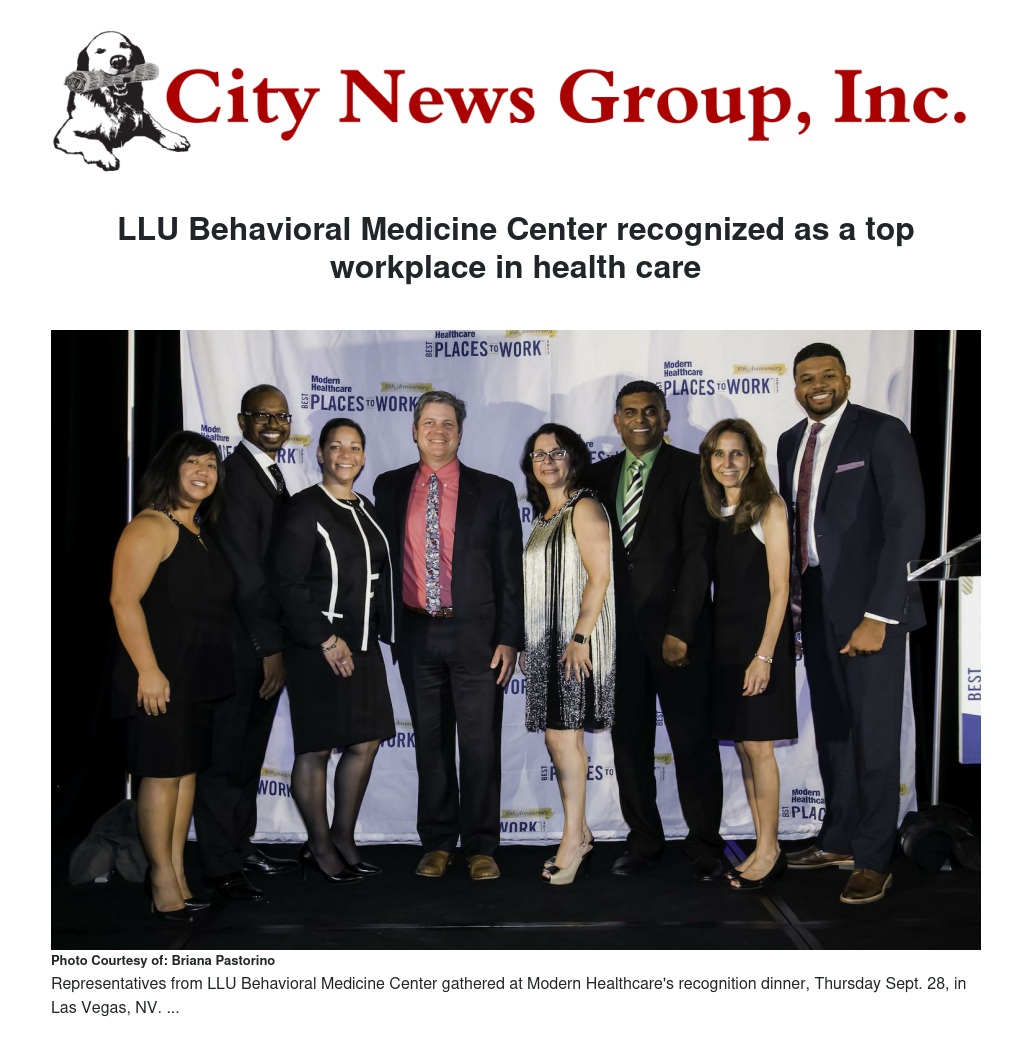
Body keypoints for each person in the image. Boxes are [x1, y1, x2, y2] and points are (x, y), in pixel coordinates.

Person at [777, 343, 925, 905]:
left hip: (870, 609)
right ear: (795, 386)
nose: (817, 385)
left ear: (845, 379)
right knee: (835, 730)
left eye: (827, 375)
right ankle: (838, 838)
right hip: (815, 603)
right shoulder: (790, 441)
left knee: (875, 735)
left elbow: (905, 522)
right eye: (806, 377)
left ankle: (873, 857)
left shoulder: (882, 432)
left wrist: (879, 614)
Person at [373, 391, 524, 881]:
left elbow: (510, 574)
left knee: (480, 746)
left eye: (448, 424)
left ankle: (481, 846)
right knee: (431, 745)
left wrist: (509, 637)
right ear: (414, 431)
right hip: (416, 632)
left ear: (460, 432)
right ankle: (438, 842)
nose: (438, 431)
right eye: (429, 423)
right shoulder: (389, 487)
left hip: (477, 637)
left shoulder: (495, 491)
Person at [589, 380, 725, 881]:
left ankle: (705, 843)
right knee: (628, 743)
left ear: (665, 418)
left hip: (677, 632)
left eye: (650, 411)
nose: (640, 419)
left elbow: (698, 555)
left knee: (693, 741)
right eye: (630, 412)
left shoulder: (693, 469)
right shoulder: (596, 476)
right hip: (616, 635)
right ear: (617, 421)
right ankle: (644, 840)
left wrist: (681, 629)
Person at [110, 431, 232, 920]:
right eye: (193, 462)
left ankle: (178, 873)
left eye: (211, 464)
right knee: (161, 777)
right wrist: (148, 670)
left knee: (184, 776)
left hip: (193, 677)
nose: (204, 472)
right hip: (158, 678)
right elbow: (123, 601)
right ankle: (161, 881)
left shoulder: (198, 530)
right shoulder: (150, 526)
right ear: (170, 469)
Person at [276, 418, 395, 883]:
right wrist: (324, 638)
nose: (346, 455)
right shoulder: (304, 507)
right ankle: (320, 847)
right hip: (318, 647)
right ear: (321, 454)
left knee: (365, 741)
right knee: (317, 748)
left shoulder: (366, 507)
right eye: (337, 446)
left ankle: (344, 838)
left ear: (363, 456)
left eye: (355, 447)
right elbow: (287, 583)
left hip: (362, 645)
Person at [193, 385, 298, 903]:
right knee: (225, 758)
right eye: (262, 416)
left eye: (281, 416)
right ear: (241, 421)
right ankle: (219, 867)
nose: (273, 424)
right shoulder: (235, 477)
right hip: (241, 645)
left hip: (262, 641)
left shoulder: (269, 473)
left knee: (248, 755)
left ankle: (239, 846)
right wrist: (269, 646)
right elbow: (246, 574)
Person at [699, 419, 797, 890]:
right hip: (726, 644)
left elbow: (780, 589)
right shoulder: (717, 509)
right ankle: (762, 845)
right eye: (719, 454)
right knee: (743, 746)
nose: (728, 462)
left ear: (753, 458)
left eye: (736, 453)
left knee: (759, 747)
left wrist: (765, 656)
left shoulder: (769, 507)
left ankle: (771, 850)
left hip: (761, 644)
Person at [519, 423, 615, 885]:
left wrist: (579, 638)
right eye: (539, 455)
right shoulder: (546, 515)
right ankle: (579, 832)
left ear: (574, 457)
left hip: (575, 645)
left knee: (563, 739)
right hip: (547, 645)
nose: (548, 461)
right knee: (559, 740)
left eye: (557, 452)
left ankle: (574, 838)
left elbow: (600, 576)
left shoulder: (585, 506)